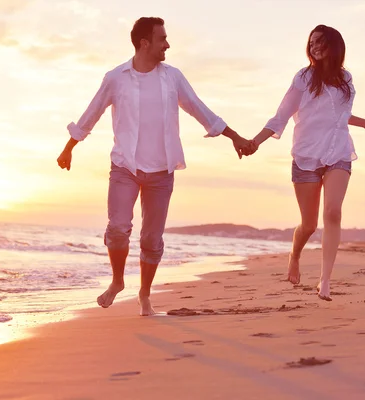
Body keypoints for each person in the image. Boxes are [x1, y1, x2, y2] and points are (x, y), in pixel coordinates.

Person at [57, 17, 251, 315]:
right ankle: (118, 281)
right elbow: (92, 112)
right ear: (144, 43)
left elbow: (200, 109)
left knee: (151, 238)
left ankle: (145, 294)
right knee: (118, 229)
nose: (167, 44)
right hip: (125, 167)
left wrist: (234, 136)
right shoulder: (116, 78)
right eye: (162, 39)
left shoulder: (172, 77)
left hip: (161, 171)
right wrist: (69, 147)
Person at [245, 24, 365, 301]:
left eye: (320, 41)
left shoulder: (345, 79)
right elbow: (281, 116)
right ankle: (294, 255)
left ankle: (325, 280)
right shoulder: (304, 78)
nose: (314, 46)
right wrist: (255, 142)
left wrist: (364, 123)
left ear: (334, 45)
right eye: (311, 42)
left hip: (338, 153)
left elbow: (340, 116)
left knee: (332, 213)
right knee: (308, 225)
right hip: (307, 155)